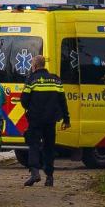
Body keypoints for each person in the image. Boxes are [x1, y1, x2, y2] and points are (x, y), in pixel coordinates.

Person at [19, 55, 69, 187]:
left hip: (35, 119)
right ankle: (50, 177)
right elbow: (63, 101)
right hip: (51, 120)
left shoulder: (32, 80)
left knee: (34, 144)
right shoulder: (55, 80)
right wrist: (66, 119)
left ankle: (35, 172)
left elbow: (24, 100)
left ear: (34, 66)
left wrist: (30, 107)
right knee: (49, 147)